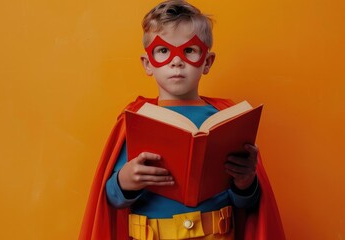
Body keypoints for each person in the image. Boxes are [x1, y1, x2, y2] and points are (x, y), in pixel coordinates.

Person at [79, 1, 285, 239]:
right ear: (148, 64)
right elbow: (112, 199)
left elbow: (247, 203)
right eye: (163, 51)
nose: (176, 61)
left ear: (207, 62)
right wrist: (125, 181)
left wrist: (246, 181)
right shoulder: (136, 119)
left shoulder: (226, 118)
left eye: (189, 50)